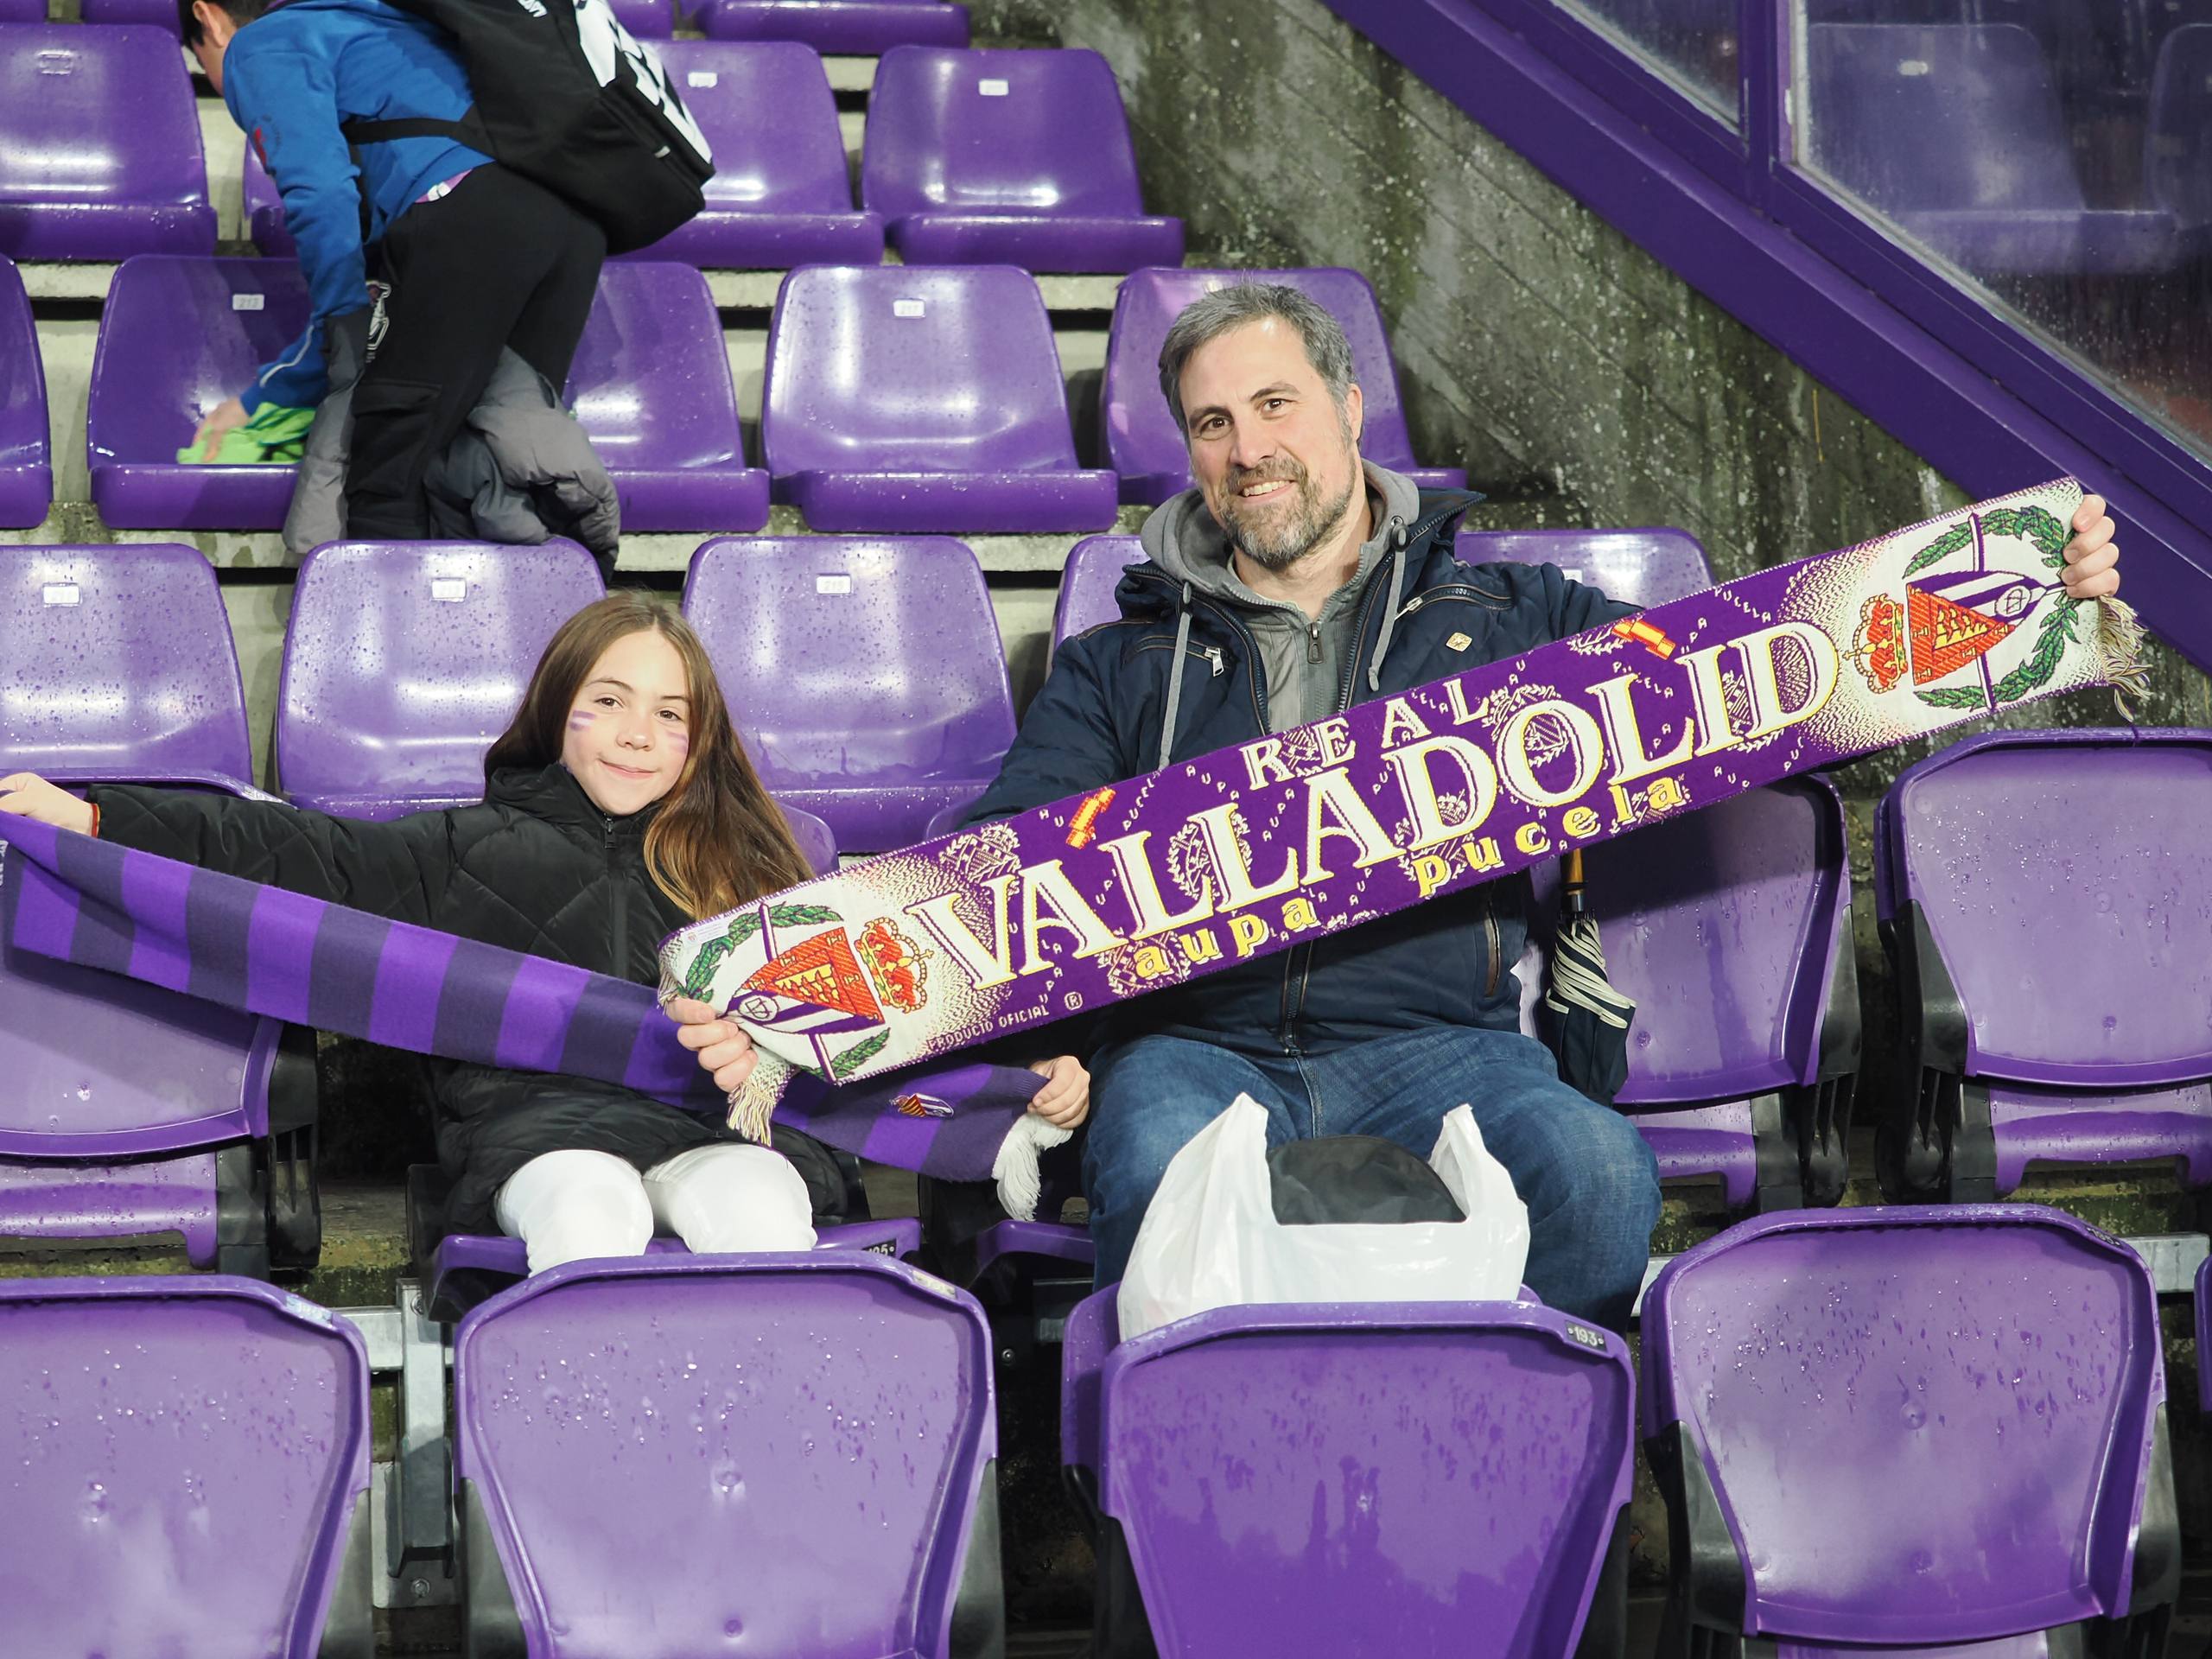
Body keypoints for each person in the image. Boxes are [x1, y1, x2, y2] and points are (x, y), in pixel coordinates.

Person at [887, 283, 2123, 1331]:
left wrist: (2036, 594)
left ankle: (1518, 1454)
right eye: (1212, 424)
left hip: (1446, 1037)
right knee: (1150, 1169)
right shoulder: (1122, 666)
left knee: (1595, 1177)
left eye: (1275, 406)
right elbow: (1010, 865)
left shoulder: (1515, 624)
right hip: (1197, 1048)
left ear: (1350, 412)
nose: (1247, 448)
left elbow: (1761, 684)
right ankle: (1189, 1501)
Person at [0, 594, 1089, 1271]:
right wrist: (98, 817)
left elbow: (897, 1018)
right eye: (609, 701)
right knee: (587, 1200)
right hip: (540, 1135)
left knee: (760, 1202)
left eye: (670, 714)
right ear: (555, 707)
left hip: (732, 1134)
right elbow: (292, 853)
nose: (636, 734)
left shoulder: (762, 872)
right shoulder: (460, 846)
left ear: (701, 741)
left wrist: (1024, 1074)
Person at [178, 0, 608, 542]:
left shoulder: (259, 44)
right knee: (498, 455)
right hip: (570, 223)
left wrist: (343, 334)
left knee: (386, 477)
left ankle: (388, 620)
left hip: (469, 215)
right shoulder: (378, 22)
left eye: (203, 62)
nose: (218, 83)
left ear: (209, 18)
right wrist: (273, 393)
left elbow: (321, 195)